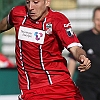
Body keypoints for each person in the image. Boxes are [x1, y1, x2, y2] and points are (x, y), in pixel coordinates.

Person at [0, 0, 91, 100]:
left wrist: (82, 57)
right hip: (32, 90)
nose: (30, 7)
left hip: (60, 86)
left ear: (47, 2)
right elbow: (4, 24)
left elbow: (75, 48)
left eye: (35, 2)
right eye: (27, 2)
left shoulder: (58, 20)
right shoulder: (18, 14)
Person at [67, 6, 100, 100]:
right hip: (86, 86)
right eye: (98, 20)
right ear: (93, 20)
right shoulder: (83, 37)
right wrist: (68, 83)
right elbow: (72, 61)